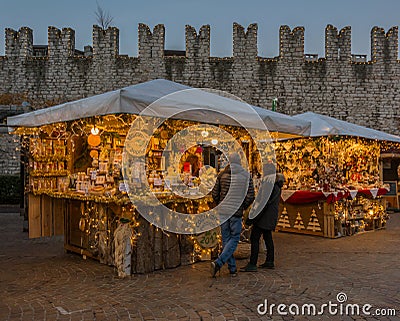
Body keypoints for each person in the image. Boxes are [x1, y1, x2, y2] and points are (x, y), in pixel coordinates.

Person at [210, 153, 255, 277]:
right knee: (234, 238)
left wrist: (220, 203)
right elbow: (251, 195)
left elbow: (214, 193)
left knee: (226, 239)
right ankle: (219, 263)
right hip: (236, 212)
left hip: (223, 211)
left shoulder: (222, 175)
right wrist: (242, 206)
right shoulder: (246, 176)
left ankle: (232, 268)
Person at [241, 163, 285, 272]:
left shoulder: (269, 184)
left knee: (255, 238)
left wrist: (253, 217)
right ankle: (270, 260)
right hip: (270, 215)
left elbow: (263, 202)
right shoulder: (276, 184)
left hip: (263, 216)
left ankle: (252, 263)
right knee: (267, 237)